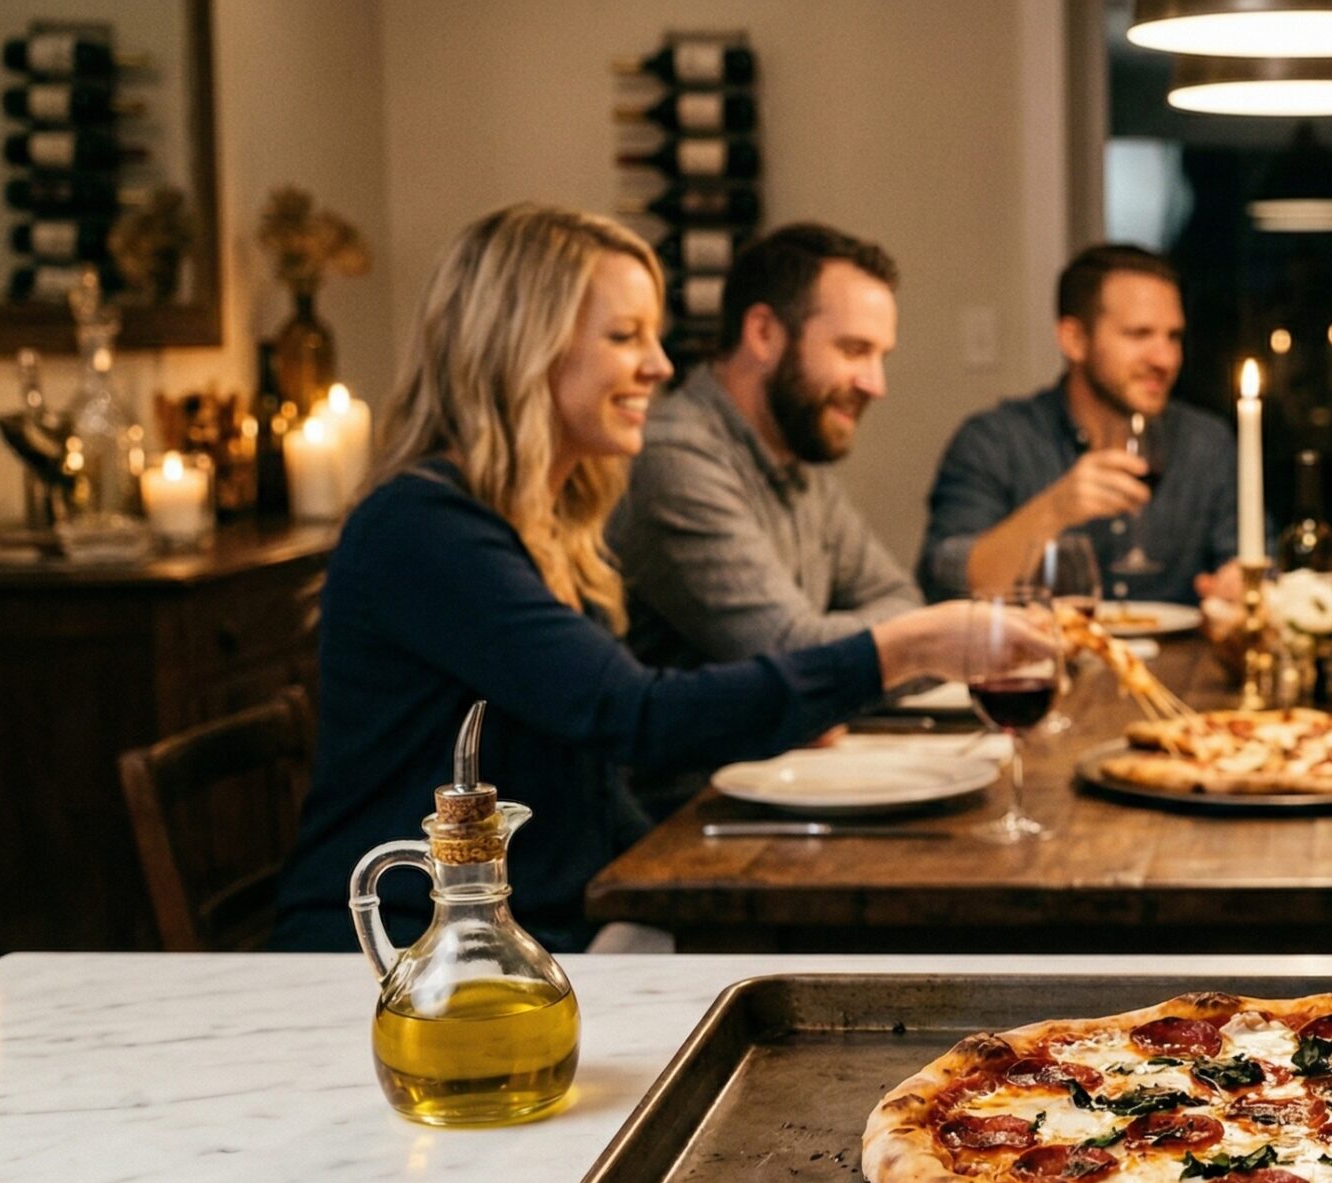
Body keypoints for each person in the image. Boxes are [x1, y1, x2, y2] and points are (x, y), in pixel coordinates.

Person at [271, 205, 1020, 954]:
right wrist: (900, 647)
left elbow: (598, 774)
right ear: (525, 347)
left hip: (522, 936)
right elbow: (635, 716)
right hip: (395, 956)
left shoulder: (545, 524)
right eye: (626, 336)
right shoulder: (425, 527)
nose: (661, 366)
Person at [608, 224, 922, 671]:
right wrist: (923, 645)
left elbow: (900, 598)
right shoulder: (674, 458)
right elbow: (792, 657)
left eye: (881, 357)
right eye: (854, 350)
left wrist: (893, 643)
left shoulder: (800, 457)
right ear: (763, 333)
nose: (876, 384)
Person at [920, 244, 1239, 603]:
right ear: (1074, 340)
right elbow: (946, 581)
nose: (1164, 358)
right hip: (1044, 656)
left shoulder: (1206, 443)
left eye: (1174, 337)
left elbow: (1248, 557)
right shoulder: (995, 440)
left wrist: (1238, 585)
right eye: (1139, 334)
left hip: (1180, 659)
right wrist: (1055, 509)